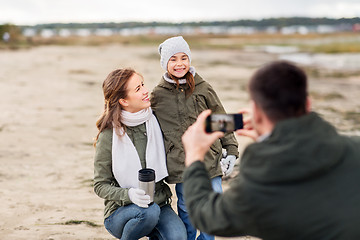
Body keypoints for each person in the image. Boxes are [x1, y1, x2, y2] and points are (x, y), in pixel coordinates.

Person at [182, 61, 360, 240]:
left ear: (257, 113)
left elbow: (208, 216)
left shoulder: (261, 180)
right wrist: (273, 141)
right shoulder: (354, 147)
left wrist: (194, 156)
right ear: (307, 104)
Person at [150, 36, 239, 240]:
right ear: (165, 64)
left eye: (184, 58)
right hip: (181, 164)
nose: (179, 63)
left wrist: (232, 151)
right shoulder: (157, 95)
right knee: (186, 206)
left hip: (210, 159)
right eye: (173, 59)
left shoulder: (203, 88)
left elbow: (222, 119)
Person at [93, 68, 186, 240]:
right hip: (121, 212)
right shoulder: (109, 135)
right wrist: (129, 194)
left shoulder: (156, 120)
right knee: (149, 212)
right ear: (123, 101)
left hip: (159, 203)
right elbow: (100, 185)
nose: (145, 91)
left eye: (143, 85)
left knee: (178, 237)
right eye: (138, 89)